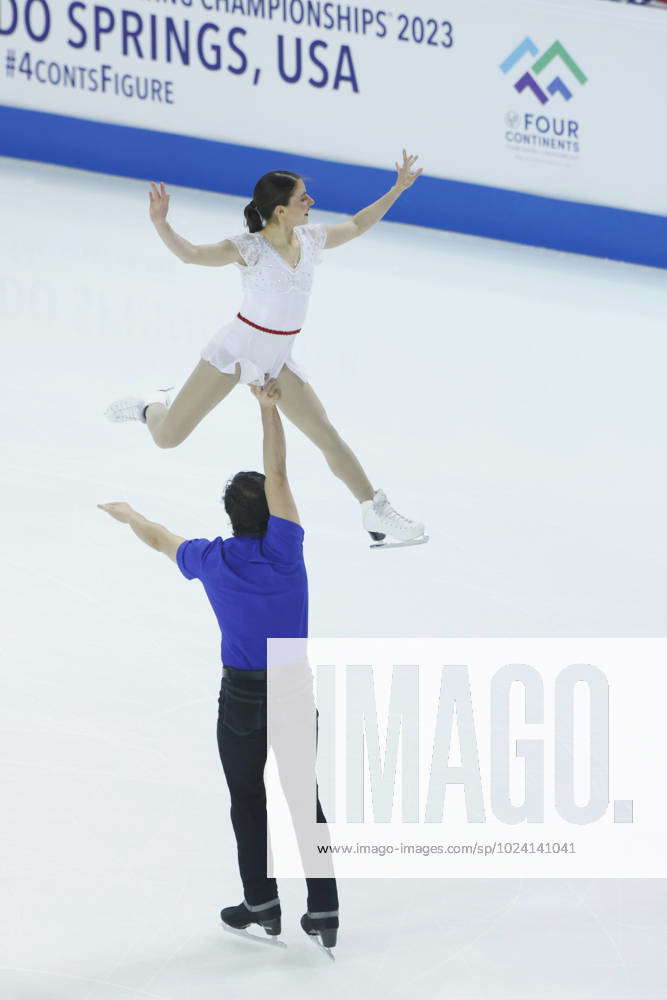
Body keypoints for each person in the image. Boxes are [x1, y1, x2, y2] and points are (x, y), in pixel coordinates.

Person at [98, 378, 339, 951]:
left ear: (231, 516)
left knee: (247, 796)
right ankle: (324, 910)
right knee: (302, 798)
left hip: (242, 699)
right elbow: (279, 475)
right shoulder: (286, 549)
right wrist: (268, 411)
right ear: (273, 512)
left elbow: (159, 538)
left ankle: (261, 902)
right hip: (293, 688)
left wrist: (129, 514)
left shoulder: (212, 559)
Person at [105, 151, 427, 546]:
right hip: (236, 351)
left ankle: (373, 508)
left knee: (325, 433)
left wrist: (396, 189)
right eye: (303, 197)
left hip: (277, 358)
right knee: (168, 438)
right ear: (280, 210)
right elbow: (192, 255)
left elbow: (358, 224)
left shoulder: (311, 239)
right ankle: (150, 406)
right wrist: (161, 224)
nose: (311, 202)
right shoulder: (249, 248)